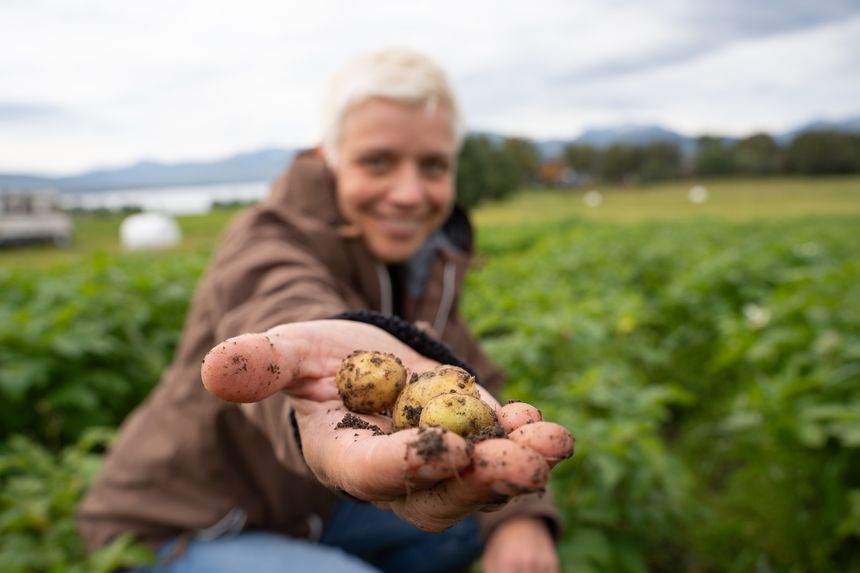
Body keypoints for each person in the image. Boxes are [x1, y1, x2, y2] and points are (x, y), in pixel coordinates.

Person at [77, 48, 573, 573]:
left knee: (464, 526)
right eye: (377, 161)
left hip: (301, 507)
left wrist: (523, 517)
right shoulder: (267, 237)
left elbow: (471, 373)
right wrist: (334, 337)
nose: (408, 193)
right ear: (327, 158)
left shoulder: (426, 262)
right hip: (179, 521)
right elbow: (275, 298)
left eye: (433, 166)